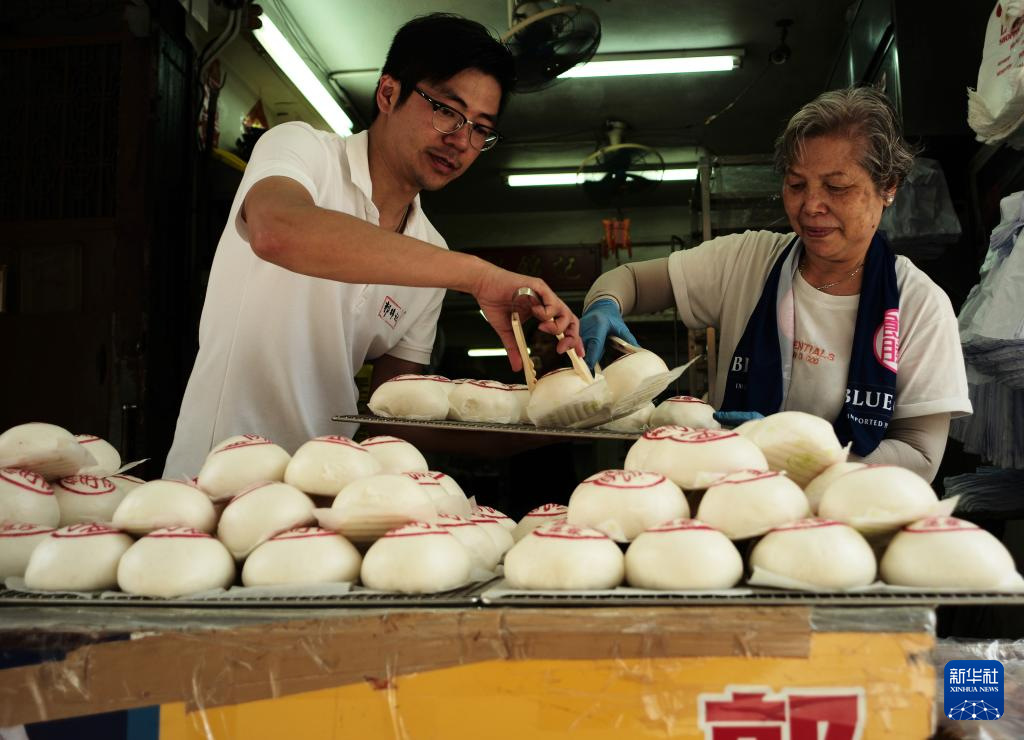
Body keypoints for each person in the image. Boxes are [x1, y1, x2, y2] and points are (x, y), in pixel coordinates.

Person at [164, 13, 582, 477]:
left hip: (326, 494)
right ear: (388, 93)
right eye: (447, 110)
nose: (462, 142)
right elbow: (276, 231)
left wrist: (548, 420)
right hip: (212, 480)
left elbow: (393, 417)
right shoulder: (302, 151)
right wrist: (478, 276)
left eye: (480, 128)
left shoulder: (432, 250)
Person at [580, 86, 971, 482]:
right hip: (731, 497)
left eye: (836, 187)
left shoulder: (919, 304)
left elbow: (920, 456)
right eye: (796, 184)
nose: (811, 205)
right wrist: (604, 303)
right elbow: (630, 281)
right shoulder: (746, 260)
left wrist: (788, 453)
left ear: (888, 186)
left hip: (852, 511)